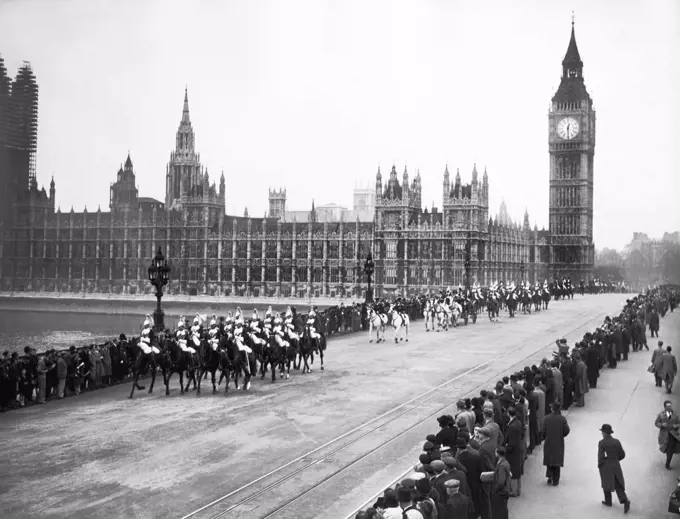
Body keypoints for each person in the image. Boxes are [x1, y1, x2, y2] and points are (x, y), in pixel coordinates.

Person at [598, 424, 631, 514]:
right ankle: (625, 500)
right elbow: (622, 455)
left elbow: (601, 456)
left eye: (602, 432)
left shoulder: (602, 443)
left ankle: (608, 501)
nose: (602, 434)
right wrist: (615, 459)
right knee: (617, 483)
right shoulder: (617, 442)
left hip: (606, 466)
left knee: (606, 482)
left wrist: (600, 463)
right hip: (616, 465)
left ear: (604, 433)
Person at [542, 402, 570, 486]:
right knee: (557, 461)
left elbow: (543, 431)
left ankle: (549, 476)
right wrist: (561, 435)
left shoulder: (546, 418)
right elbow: (567, 430)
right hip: (558, 442)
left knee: (549, 460)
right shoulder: (562, 419)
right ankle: (556, 480)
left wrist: (545, 437)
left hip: (549, 441)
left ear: (552, 409)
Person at [655, 400, 680, 469]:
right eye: (668, 406)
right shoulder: (661, 415)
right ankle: (667, 464)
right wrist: (662, 424)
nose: (670, 407)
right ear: (665, 407)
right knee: (669, 451)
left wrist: (676, 426)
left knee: (674, 448)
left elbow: (679, 423)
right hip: (665, 436)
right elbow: (656, 423)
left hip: (674, 435)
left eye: (670, 406)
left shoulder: (675, 415)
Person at [490, 446, 511, 519]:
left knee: (499, 511)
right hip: (506, 490)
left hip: (501, 492)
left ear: (498, 454)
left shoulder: (501, 465)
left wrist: (495, 490)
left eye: (496, 452)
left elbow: (501, 482)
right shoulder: (505, 462)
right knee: (503, 509)